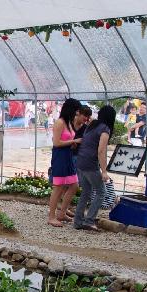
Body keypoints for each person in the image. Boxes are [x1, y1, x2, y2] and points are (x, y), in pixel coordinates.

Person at [74, 105, 114, 231]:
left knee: (86, 192)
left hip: (80, 161)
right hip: (90, 163)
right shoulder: (105, 129)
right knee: (102, 192)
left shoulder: (92, 125)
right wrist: (104, 171)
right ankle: (89, 220)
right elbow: (101, 151)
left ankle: (78, 221)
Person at [48, 98, 82, 227]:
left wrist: (72, 143)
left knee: (74, 185)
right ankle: (51, 216)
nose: (77, 114)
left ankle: (62, 212)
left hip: (67, 155)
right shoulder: (60, 122)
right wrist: (74, 142)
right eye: (76, 111)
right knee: (58, 187)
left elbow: (65, 139)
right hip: (60, 156)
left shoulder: (68, 122)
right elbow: (56, 143)